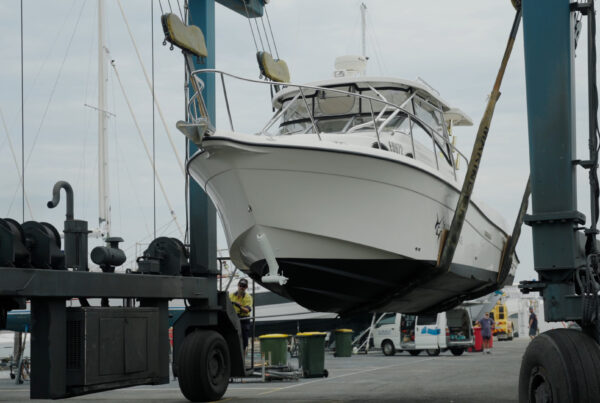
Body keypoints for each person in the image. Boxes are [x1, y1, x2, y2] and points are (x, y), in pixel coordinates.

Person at [230, 278, 253, 357]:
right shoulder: (231, 295)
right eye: (240, 285)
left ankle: (243, 358)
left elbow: (247, 310)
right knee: (233, 338)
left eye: (243, 286)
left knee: (244, 341)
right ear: (238, 285)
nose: (241, 287)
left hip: (244, 320)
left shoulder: (248, 297)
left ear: (246, 287)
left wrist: (239, 306)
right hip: (235, 318)